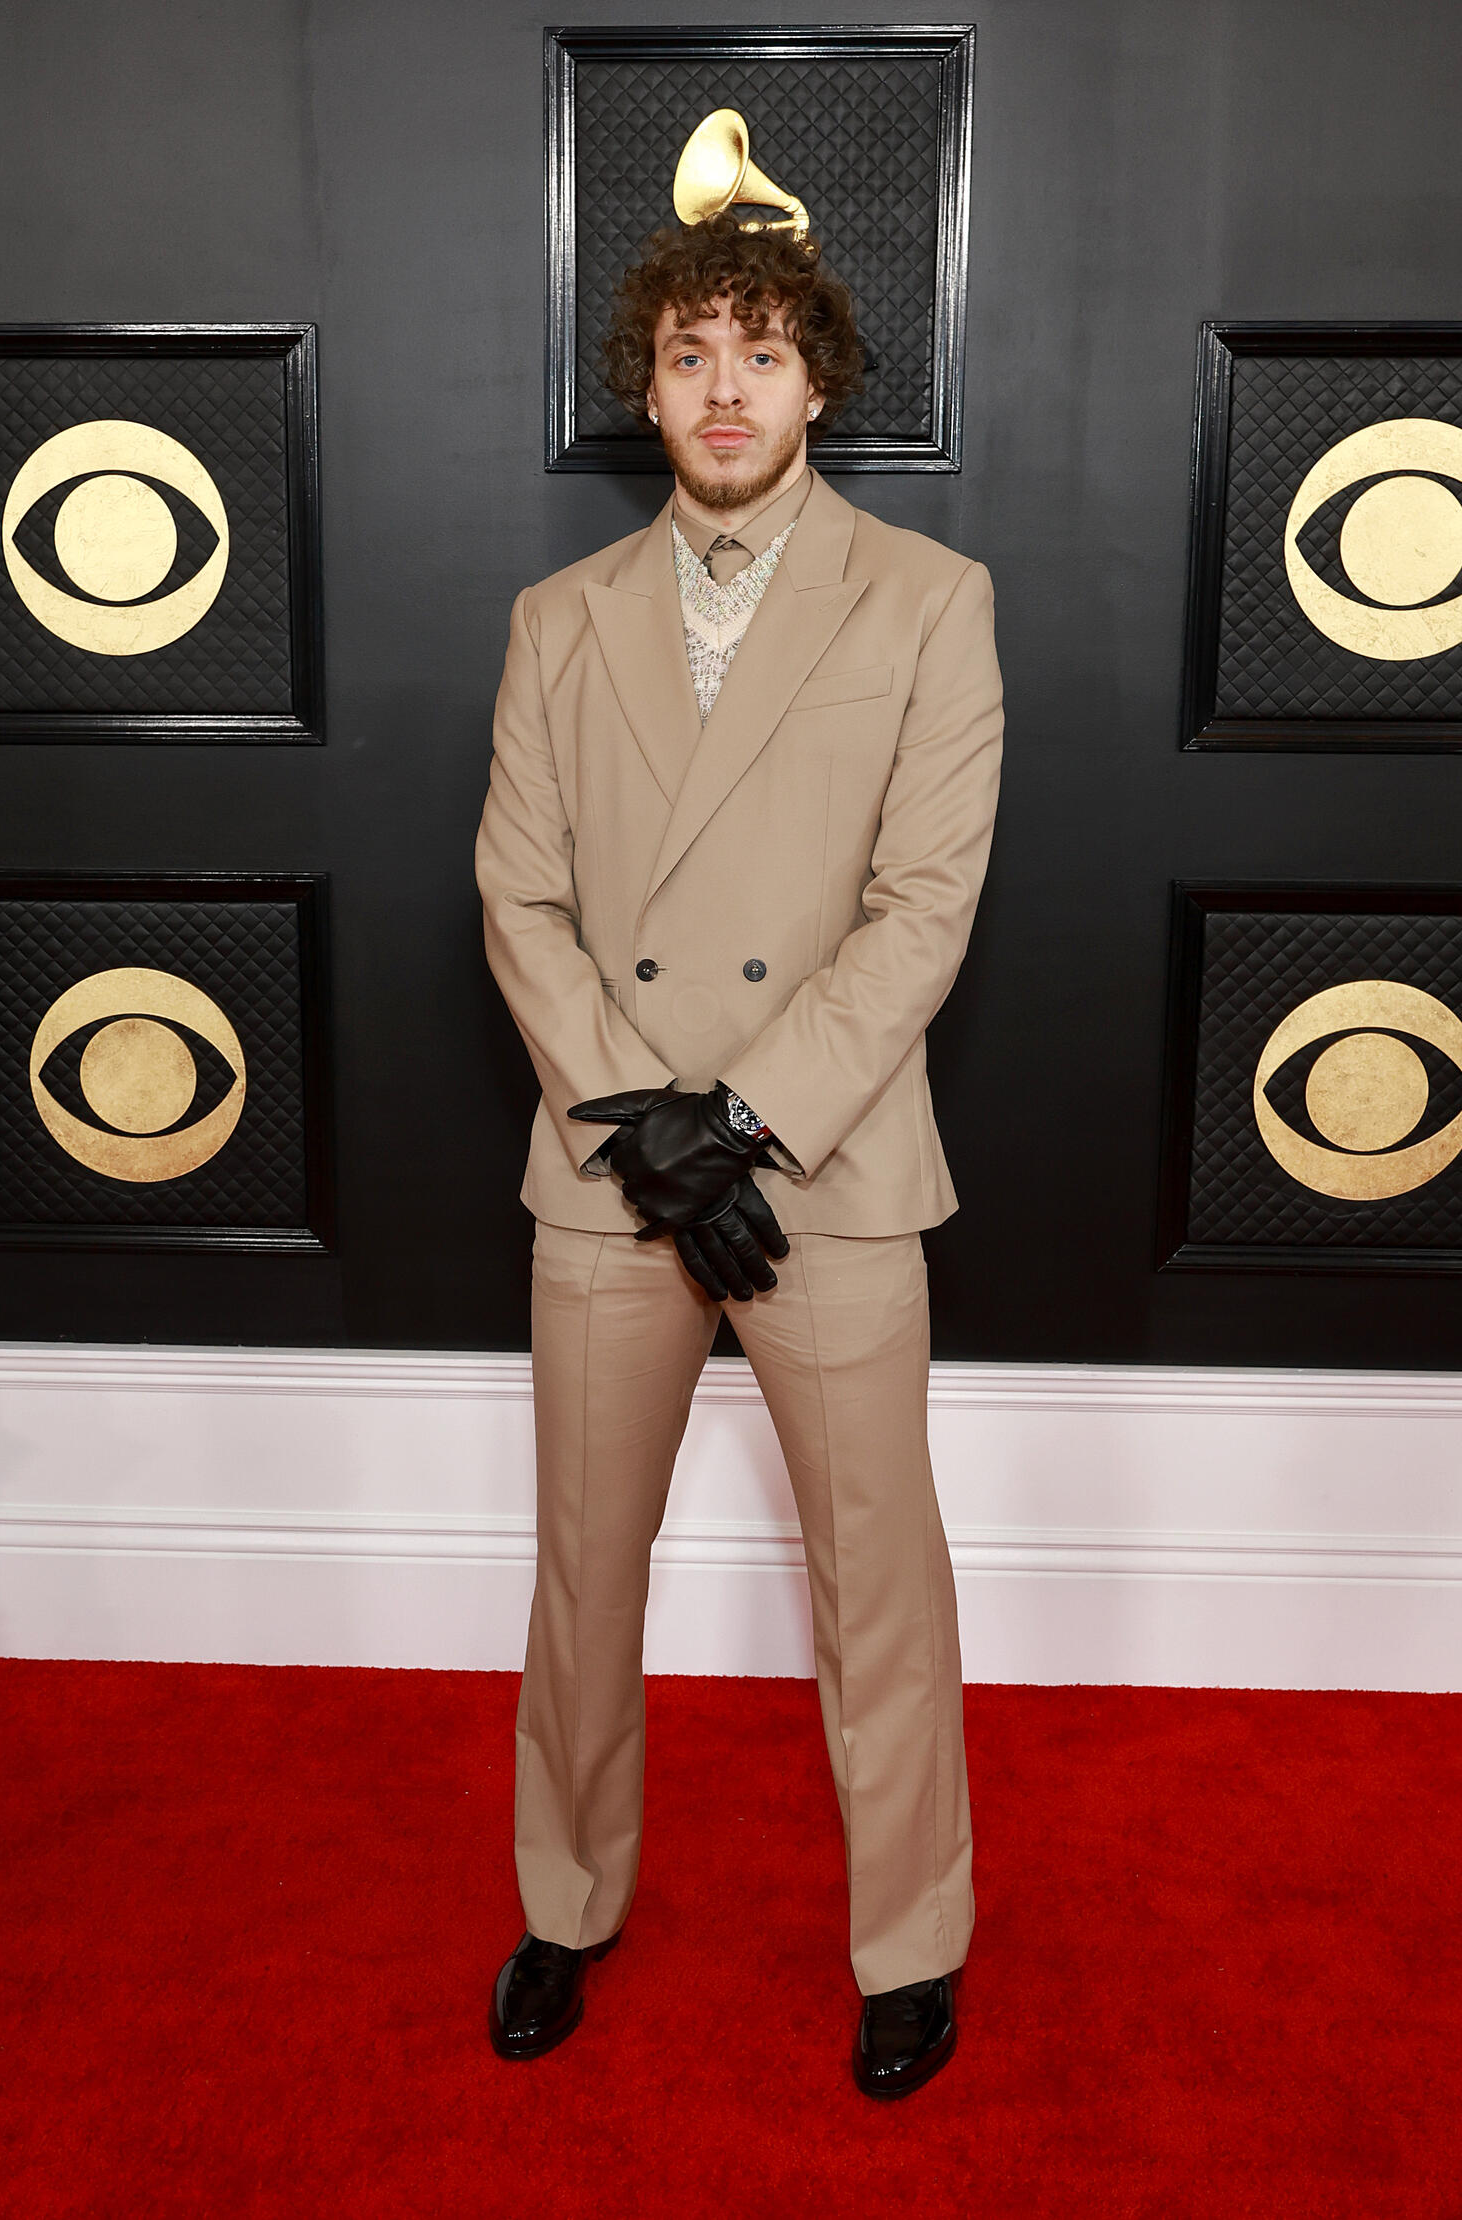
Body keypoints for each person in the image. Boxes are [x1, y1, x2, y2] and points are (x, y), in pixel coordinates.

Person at [475, 212, 1003, 2099]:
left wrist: (751, 1125)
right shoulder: (561, 620)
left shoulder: (932, 599)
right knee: (582, 1568)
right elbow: (519, 899)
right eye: (692, 352)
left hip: (830, 1175)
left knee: (883, 1576)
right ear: (646, 382)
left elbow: (923, 910)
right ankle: (567, 1897)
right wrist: (652, 1133)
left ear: (819, 382)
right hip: (615, 1174)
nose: (723, 389)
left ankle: (911, 1939)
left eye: (760, 354)